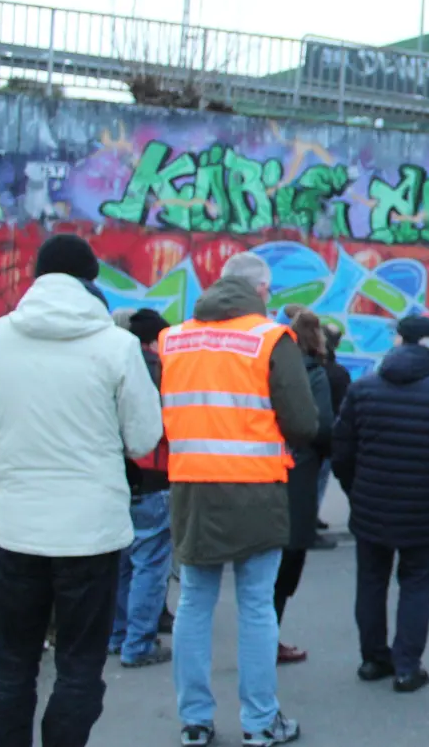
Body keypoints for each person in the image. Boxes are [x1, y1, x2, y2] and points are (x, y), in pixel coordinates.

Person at [0, 234, 165, 747]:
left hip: (17, 530)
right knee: (79, 668)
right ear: (90, 281)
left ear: (37, 278)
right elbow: (145, 436)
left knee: (12, 666)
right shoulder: (117, 345)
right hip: (91, 535)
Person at [163, 251, 319, 747]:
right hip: (254, 487)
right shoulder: (270, 338)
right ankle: (260, 721)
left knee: (193, 602)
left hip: (191, 488)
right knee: (255, 607)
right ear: (260, 290)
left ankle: (195, 721)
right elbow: (303, 422)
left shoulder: (175, 338)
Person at [332, 314, 429, 693]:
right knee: (416, 584)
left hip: (371, 504)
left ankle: (372, 658)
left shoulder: (363, 390)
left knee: (371, 581)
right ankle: (407, 666)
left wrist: (356, 491)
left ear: (398, 341)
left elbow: (342, 454)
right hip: (427, 509)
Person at [109, 308, 175, 670]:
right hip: (154, 473)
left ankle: (117, 635)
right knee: (150, 562)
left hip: (117, 474)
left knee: (121, 561)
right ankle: (139, 643)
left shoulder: (114, 365)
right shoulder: (163, 370)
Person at [271, 309, 335, 665]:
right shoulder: (315, 372)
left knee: (264, 564)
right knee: (287, 562)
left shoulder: (272, 369)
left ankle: (262, 637)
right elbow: (321, 425)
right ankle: (268, 639)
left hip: (264, 471)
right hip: (298, 470)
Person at [313, 321, 351, 540]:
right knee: (320, 479)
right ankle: (311, 517)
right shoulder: (338, 373)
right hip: (329, 434)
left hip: (309, 432)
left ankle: (310, 517)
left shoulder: (309, 368)